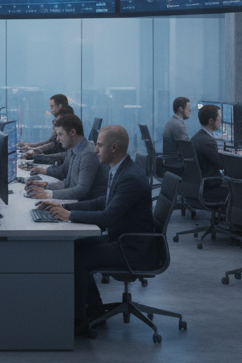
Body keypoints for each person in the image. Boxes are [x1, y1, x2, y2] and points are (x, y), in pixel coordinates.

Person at [37, 125, 155, 332]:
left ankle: (81, 321)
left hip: (131, 247)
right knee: (73, 248)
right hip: (121, 238)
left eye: (99, 146)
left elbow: (107, 217)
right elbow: (103, 201)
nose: (95, 150)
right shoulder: (119, 169)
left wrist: (70, 216)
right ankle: (94, 310)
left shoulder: (129, 178)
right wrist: (64, 207)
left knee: (77, 258)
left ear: (114, 148)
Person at [26, 113, 105, 201]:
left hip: (85, 207)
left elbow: (81, 191)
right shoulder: (72, 150)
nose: (57, 139)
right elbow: (67, 182)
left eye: (60, 134)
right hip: (74, 202)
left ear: (72, 132)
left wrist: (49, 194)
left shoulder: (88, 154)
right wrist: (46, 185)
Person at [22, 95, 75, 160]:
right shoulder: (69, 118)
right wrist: (32, 147)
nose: (51, 110)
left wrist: (34, 150)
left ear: (60, 106)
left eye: (52, 107)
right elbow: (53, 142)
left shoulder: (62, 121)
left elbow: (54, 144)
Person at [192, 104, 226, 202]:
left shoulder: (197, 137)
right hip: (211, 183)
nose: (221, 120)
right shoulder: (208, 141)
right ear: (211, 121)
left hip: (199, 182)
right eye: (219, 118)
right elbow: (221, 165)